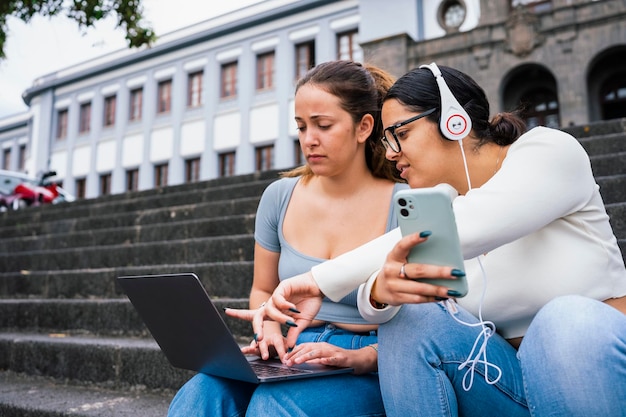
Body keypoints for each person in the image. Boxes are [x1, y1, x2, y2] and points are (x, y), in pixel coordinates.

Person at [228, 63, 626, 416]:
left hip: (596, 378)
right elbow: (391, 290)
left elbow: (469, 223)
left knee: (563, 320)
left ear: (454, 121)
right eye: (387, 140)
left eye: (399, 134)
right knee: (414, 313)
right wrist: (382, 291)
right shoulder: (435, 206)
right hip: (503, 385)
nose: (392, 152)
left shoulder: (550, 152)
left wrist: (317, 280)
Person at [168, 60, 408, 417]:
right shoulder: (280, 196)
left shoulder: (403, 202)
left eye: (323, 126)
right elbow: (263, 289)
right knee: (200, 395)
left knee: (272, 408)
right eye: (301, 126)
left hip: (367, 356)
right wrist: (268, 329)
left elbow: (423, 319)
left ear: (364, 127)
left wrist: (363, 358)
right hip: (291, 350)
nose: (309, 139)